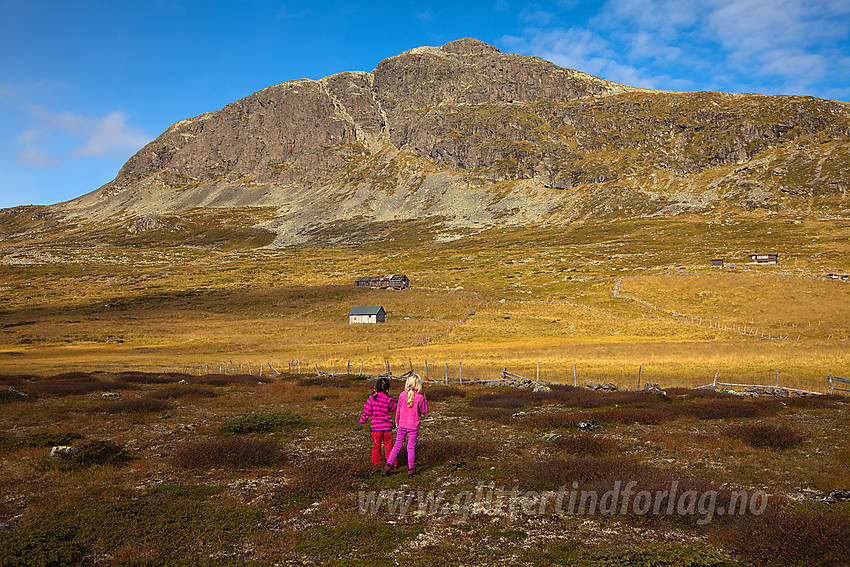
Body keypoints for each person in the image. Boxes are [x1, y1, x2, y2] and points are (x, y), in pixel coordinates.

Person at [383, 374, 428, 479]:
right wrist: (424, 400)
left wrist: (396, 421)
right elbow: (424, 411)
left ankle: (387, 467)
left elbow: (398, 410)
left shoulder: (402, 395)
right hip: (413, 426)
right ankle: (411, 471)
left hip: (402, 424)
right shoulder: (420, 397)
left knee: (397, 445)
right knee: (410, 447)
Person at [360, 377, 397, 467]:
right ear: (387, 388)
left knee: (376, 447)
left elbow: (367, 411)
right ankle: (391, 463)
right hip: (387, 428)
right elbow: (393, 409)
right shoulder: (388, 398)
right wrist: (390, 397)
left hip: (376, 429)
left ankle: (376, 464)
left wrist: (363, 420)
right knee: (389, 447)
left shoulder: (372, 398)